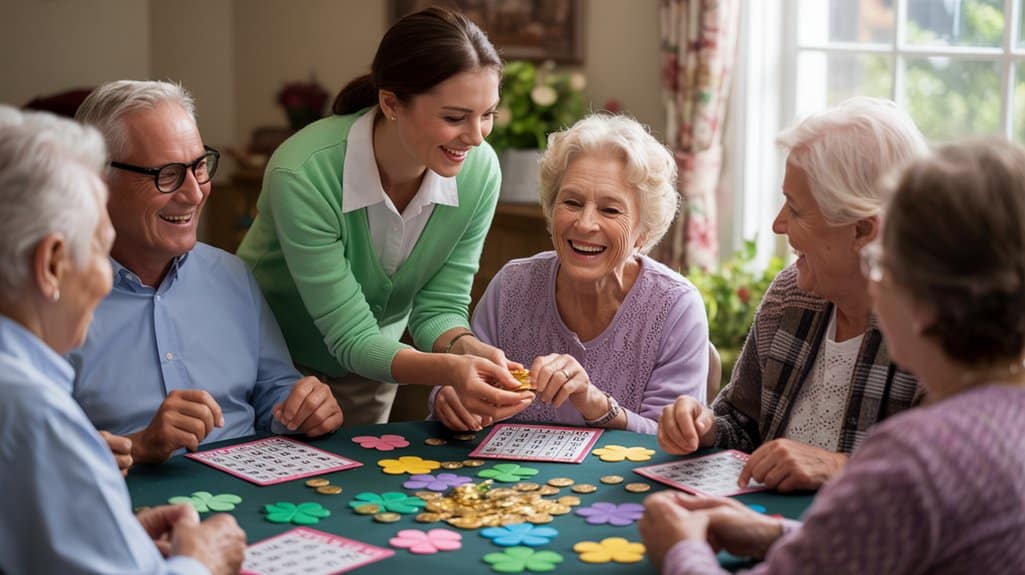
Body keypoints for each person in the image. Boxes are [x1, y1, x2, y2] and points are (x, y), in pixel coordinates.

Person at [639, 138, 1025, 574]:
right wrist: (773, 534)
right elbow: (892, 542)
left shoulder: (915, 457)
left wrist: (681, 548)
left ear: (927, 298)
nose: (874, 283)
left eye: (882, 264)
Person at [237, 6, 530, 425]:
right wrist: (449, 370)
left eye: (488, 115)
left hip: (374, 366)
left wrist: (467, 350)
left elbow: (439, 307)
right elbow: (351, 336)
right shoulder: (303, 173)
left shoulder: (479, 173)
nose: (476, 137)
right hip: (269, 368)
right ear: (391, 103)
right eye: (455, 117)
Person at [0, 106, 245, 574]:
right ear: (51, 264)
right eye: (99, 247)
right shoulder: (39, 415)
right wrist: (200, 561)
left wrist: (119, 537)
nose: (107, 280)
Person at [657, 97, 927, 491]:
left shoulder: (934, 332)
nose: (778, 224)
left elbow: (950, 478)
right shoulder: (791, 295)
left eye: (796, 210)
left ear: (862, 230)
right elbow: (743, 424)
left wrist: (839, 467)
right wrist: (705, 427)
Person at [70, 80, 342, 467]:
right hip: (124, 498)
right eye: (167, 174)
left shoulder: (232, 275)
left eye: (199, 167)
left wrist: (306, 407)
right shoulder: (48, 302)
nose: (195, 194)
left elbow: (275, 392)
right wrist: (139, 446)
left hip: (253, 489)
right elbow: (28, 458)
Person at [430, 114, 709, 434]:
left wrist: (595, 404)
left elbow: (671, 438)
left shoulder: (674, 306)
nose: (585, 224)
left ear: (643, 231)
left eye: (610, 210)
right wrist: (449, 398)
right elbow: (459, 382)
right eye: (572, 203)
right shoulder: (513, 286)